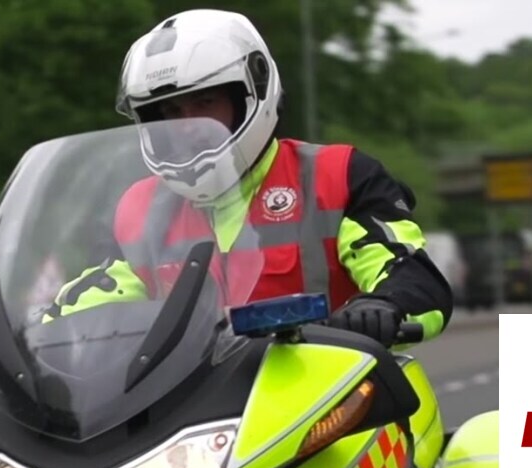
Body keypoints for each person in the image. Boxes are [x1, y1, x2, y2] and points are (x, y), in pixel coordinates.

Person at [43, 8, 453, 348]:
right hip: (202, 406)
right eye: (170, 113)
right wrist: (33, 336)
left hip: (340, 394)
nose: (187, 126)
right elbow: (96, 295)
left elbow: (410, 272)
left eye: (205, 103)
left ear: (252, 93)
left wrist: (384, 306)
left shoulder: (337, 176)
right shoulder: (141, 208)